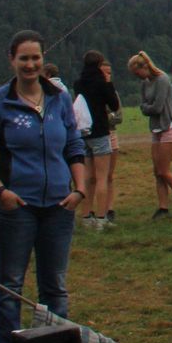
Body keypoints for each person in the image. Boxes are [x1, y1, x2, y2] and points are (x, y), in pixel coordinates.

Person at [0, 29, 88, 343]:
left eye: (36, 57)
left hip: (59, 206)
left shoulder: (59, 98)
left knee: (55, 286)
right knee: (10, 285)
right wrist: (0, 191)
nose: (30, 64)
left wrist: (80, 190)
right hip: (16, 208)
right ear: (12, 60)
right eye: (23, 58)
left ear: (43, 59)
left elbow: (73, 147)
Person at [129, 50, 172, 220]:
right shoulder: (145, 83)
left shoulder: (162, 79)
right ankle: (163, 207)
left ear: (144, 67)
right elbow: (144, 105)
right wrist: (146, 107)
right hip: (156, 128)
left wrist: (146, 107)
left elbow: (156, 107)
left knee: (164, 170)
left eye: (137, 73)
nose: (137, 77)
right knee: (157, 172)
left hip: (169, 126)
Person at [73, 50, 121, 229]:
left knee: (87, 177)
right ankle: (101, 217)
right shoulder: (101, 83)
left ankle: (86, 216)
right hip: (100, 131)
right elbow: (114, 105)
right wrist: (108, 83)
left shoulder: (78, 83)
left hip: (83, 132)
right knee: (102, 177)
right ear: (99, 65)